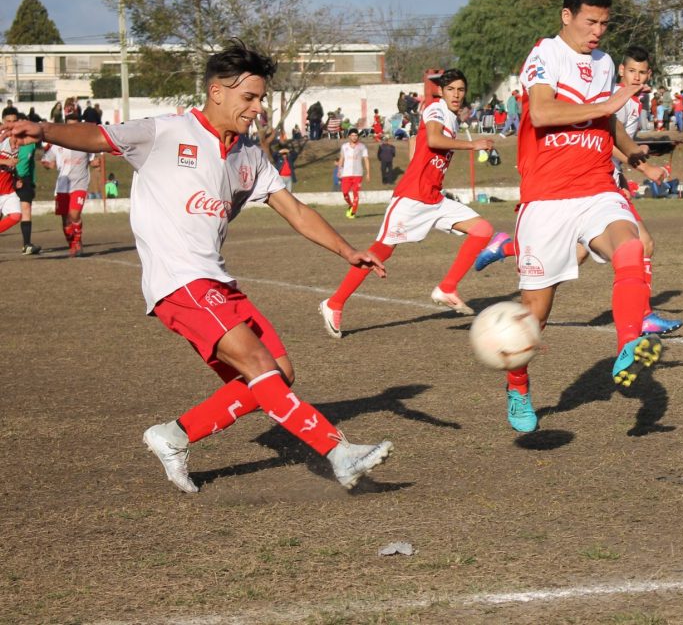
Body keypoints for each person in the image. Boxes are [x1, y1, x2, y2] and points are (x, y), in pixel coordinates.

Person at [0, 40, 393, 492]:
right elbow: (98, 139)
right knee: (259, 362)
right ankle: (337, 452)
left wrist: (347, 251)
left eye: (261, 99)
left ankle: (175, 435)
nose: (257, 108)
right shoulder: (166, 132)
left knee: (278, 373)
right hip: (178, 282)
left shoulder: (249, 156)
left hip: (218, 280)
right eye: (249, 98)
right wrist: (44, 131)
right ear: (216, 92)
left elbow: (296, 210)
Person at [491, 0, 665, 434]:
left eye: (604, 24)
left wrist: (635, 158)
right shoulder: (545, 54)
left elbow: (607, 121)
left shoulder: (606, 62)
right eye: (590, 21)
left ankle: (629, 346)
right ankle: (518, 387)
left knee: (633, 246)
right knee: (535, 316)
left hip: (595, 186)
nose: (597, 32)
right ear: (566, 16)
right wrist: (609, 103)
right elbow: (545, 113)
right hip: (546, 197)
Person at [477, 45, 683, 338]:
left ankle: (509, 247)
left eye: (642, 72)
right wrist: (642, 167)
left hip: (604, 182)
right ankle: (643, 316)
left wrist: (636, 157)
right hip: (586, 182)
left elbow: (613, 140)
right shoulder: (614, 97)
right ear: (621, 71)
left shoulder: (633, 104)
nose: (637, 77)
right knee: (642, 244)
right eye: (632, 71)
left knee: (587, 253)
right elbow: (603, 137)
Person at [319, 69, 502, 337]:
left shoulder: (450, 116)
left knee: (482, 230)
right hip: (411, 198)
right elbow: (434, 139)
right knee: (380, 252)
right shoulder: (436, 109)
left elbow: (419, 141)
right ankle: (334, 303)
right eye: (451, 89)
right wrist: (473, 146)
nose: (456, 94)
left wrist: (422, 161)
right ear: (441, 91)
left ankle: (447, 287)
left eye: (461, 90)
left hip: (435, 198)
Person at [40, 113, 97, 256]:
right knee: (65, 220)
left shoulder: (86, 142)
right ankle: (72, 243)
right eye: (70, 125)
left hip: (80, 183)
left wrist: (95, 163)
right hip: (63, 185)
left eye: (75, 125)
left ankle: (77, 242)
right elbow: (50, 162)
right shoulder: (57, 143)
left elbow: (92, 159)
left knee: (74, 214)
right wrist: (47, 164)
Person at [9, 108, 42, 253]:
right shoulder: (6, 140)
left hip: (25, 179)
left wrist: (32, 180)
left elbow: (31, 163)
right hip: (8, 177)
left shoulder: (31, 143)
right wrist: (15, 177)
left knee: (26, 208)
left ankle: (27, 244)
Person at [0, 109, 24, 243]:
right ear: (3, 122)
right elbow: (7, 161)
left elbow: (11, 165)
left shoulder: (19, 140)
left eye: (14, 121)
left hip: (8, 190)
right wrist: (6, 161)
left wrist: (16, 178)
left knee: (16, 216)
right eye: (8, 122)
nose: (11, 124)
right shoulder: (1, 139)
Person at [336, 128, 369, 218]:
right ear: (349, 136)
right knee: (345, 193)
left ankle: (353, 212)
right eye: (352, 135)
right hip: (346, 173)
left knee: (355, 193)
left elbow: (366, 159)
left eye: (356, 135)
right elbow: (341, 158)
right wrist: (339, 170)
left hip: (358, 173)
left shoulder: (362, 147)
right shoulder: (344, 146)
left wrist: (368, 173)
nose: (354, 137)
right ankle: (351, 205)